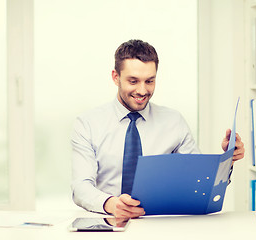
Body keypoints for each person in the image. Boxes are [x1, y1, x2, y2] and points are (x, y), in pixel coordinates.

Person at [71, 39, 245, 219]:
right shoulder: (88, 124)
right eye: (133, 81)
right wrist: (110, 204)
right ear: (116, 77)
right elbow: (80, 187)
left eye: (149, 81)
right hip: (109, 220)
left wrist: (227, 161)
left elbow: (198, 183)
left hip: (161, 223)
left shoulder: (173, 121)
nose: (142, 90)